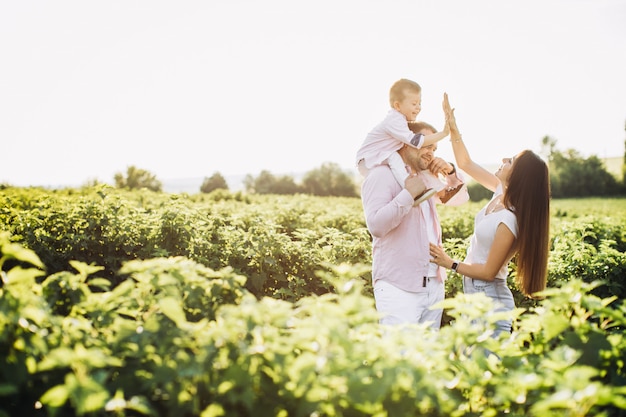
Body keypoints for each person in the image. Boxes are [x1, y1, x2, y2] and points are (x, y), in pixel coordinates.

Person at [429, 100, 550, 336]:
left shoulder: (511, 219)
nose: (504, 159)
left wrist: (449, 262)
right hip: (475, 298)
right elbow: (465, 163)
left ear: (519, 176)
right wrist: (452, 127)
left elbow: (488, 272)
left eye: (511, 161)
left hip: (490, 304)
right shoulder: (500, 192)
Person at [361, 119, 469, 329]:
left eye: (435, 148)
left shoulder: (427, 177)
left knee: (427, 358)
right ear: (404, 141)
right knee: (400, 357)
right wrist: (408, 195)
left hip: (434, 284)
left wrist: (449, 172)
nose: (431, 152)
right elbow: (376, 226)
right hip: (398, 286)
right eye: (427, 145)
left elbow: (458, 199)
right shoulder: (380, 175)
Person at [356, 78, 450, 205]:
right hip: (368, 158)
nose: (418, 108)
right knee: (394, 158)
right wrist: (443, 133)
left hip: (379, 154)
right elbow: (417, 141)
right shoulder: (394, 120)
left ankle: (441, 188)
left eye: (419, 103)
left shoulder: (400, 121)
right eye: (414, 104)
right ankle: (412, 191)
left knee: (414, 164)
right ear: (397, 106)